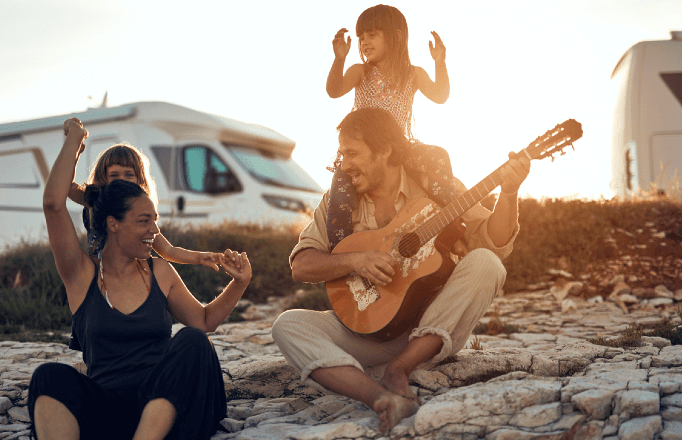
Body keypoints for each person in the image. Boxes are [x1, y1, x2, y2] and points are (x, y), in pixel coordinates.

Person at [271, 108, 530, 432]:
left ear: (385, 150)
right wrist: (355, 260)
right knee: (288, 324)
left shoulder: (438, 187)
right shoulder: (339, 200)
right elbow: (302, 265)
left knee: (486, 263)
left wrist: (508, 192)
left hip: (433, 329)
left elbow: (493, 243)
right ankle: (381, 397)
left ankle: (400, 369)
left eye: (352, 153)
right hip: (366, 331)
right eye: (342, 153)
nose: (343, 163)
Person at [29, 118, 252, 440]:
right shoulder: (81, 273)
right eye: (144, 221)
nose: (153, 231)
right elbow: (53, 203)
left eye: (155, 221)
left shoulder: (160, 271)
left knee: (193, 341)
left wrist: (240, 283)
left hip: (168, 407)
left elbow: (204, 321)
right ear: (113, 224)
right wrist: (75, 142)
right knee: (49, 376)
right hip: (108, 407)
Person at [325, 4, 455, 251]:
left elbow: (441, 95)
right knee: (340, 195)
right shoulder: (360, 71)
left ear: (395, 36)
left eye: (372, 35)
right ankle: (338, 252)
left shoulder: (413, 74)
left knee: (438, 157)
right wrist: (339, 58)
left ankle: (448, 227)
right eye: (361, 38)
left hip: (400, 148)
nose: (364, 42)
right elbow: (334, 90)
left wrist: (440, 62)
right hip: (363, 150)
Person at [67, 142, 222, 268]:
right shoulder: (95, 201)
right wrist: (73, 151)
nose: (122, 179)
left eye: (129, 174)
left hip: (132, 279)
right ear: (104, 178)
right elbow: (66, 186)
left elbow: (168, 250)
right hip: (99, 275)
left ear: (139, 179)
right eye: (114, 175)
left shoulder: (141, 211)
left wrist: (200, 257)